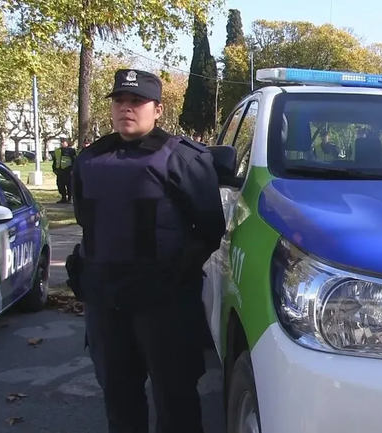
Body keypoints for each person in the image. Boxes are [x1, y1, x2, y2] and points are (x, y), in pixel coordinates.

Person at [69, 69, 226, 433]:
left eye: (136, 101)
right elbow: (85, 219)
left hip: (163, 304)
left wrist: (175, 271)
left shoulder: (182, 158)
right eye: (119, 101)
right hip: (106, 302)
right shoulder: (90, 159)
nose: (126, 108)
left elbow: (210, 228)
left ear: (157, 109)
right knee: (119, 396)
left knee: (176, 397)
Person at [52, 139, 76, 203]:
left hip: (68, 170)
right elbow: (55, 161)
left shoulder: (71, 151)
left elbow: (74, 161)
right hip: (59, 171)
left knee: (69, 185)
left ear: (67, 143)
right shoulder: (57, 151)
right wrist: (54, 169)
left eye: (63, 142)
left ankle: (69, 199)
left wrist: (72, 170)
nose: (62, 143)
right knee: (60, 185)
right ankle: (63, 198)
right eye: (61, 142)